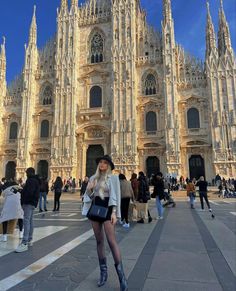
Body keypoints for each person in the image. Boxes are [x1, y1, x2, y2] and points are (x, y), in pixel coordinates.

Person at [82, 155, 128, 291]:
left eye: (105, 163)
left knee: (112, 241)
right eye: (100, 162)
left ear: (109, 166)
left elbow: (115, 196)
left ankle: (121, 276)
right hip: (96, 210)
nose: (102, 164)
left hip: (108, 210)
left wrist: (114, 212)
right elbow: (89, 197)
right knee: (99, 241)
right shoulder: (92, 178)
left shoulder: (113, 179)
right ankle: (103, 273)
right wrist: (90, 189)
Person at [15, 167, 40, 253]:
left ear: (30, 173)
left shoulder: (31, 181)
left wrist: (22, 195)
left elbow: (29, 192)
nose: (25, 173)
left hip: (28, 203)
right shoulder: (35, 180)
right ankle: (29, 239)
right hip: (32, 203)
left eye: (27, 172)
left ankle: (24, 242)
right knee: (30, 221)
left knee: (26, 221)